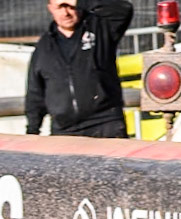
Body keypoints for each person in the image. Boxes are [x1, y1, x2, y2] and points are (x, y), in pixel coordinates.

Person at [24, 0, 134, 139]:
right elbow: (35, 94)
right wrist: (32, 132)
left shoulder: (100, 28)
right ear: (50, 8)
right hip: (65, 131)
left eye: (70, 7)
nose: (66, 13)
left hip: (106, 124)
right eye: (60, 7)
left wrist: (78, 0)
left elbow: (123, 9)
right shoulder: (44, 47)